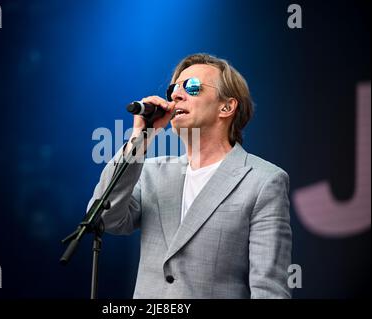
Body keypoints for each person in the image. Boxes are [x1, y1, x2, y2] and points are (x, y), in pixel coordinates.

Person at [88, 53, 292, 298]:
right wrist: (139, 138)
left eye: (192, 87)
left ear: (226, 107)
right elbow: (104, 218)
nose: (176, 95)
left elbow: (269, 290)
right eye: (173, 89)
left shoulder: (263, 181)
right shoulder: (153, 172)